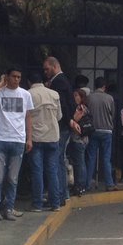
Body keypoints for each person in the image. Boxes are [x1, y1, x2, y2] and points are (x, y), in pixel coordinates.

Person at [0, 68, 34, 220]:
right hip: (0, 138)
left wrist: (29, 138)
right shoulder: (0, 92)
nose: (16, 79)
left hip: (18, 139)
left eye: (19, 77)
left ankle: (9, 208)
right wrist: (1, 83)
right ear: (7, 77)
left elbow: (28, 117)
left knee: (13, 178)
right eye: (13, 76)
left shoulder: (26, 94)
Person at [27, 72, 63, 211]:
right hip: (53, 136)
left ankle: (37, 204)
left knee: (37, 171)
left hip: (36, 137)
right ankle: (55, 203)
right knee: (52, 171)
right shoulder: (54, 94)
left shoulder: (28, 94)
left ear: (30, 82)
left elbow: (26, 117)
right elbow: (59, 116)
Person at [42, 56, 76, 206]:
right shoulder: (63, 80)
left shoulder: (58, 82)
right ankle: (62, 194)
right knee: (60, 160)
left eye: (47, 68)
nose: (45, 72)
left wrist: (68, 119)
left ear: (54, 66)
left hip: (61, 126)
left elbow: (61, 103)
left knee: (56, 161)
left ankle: (58, 195)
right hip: (65, 126)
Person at [86, 77, 117, 191]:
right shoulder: (110, 98)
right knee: (106, 158)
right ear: (104, 87)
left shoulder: (89, 98)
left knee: (91, 158)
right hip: (106, 131)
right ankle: (109, 183)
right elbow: (112, 115)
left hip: (93, 130)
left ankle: (87, 183)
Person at [68, 88, 92, 196]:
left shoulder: (79, 109)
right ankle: (82, 185)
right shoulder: (86, 108)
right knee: (81, 162)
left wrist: (72, 120)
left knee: (79, 163)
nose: (74, 98)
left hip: (78, 138)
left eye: (76, 95)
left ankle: (79, 185)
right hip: (84, 138)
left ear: (81, 97)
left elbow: (74, 120)